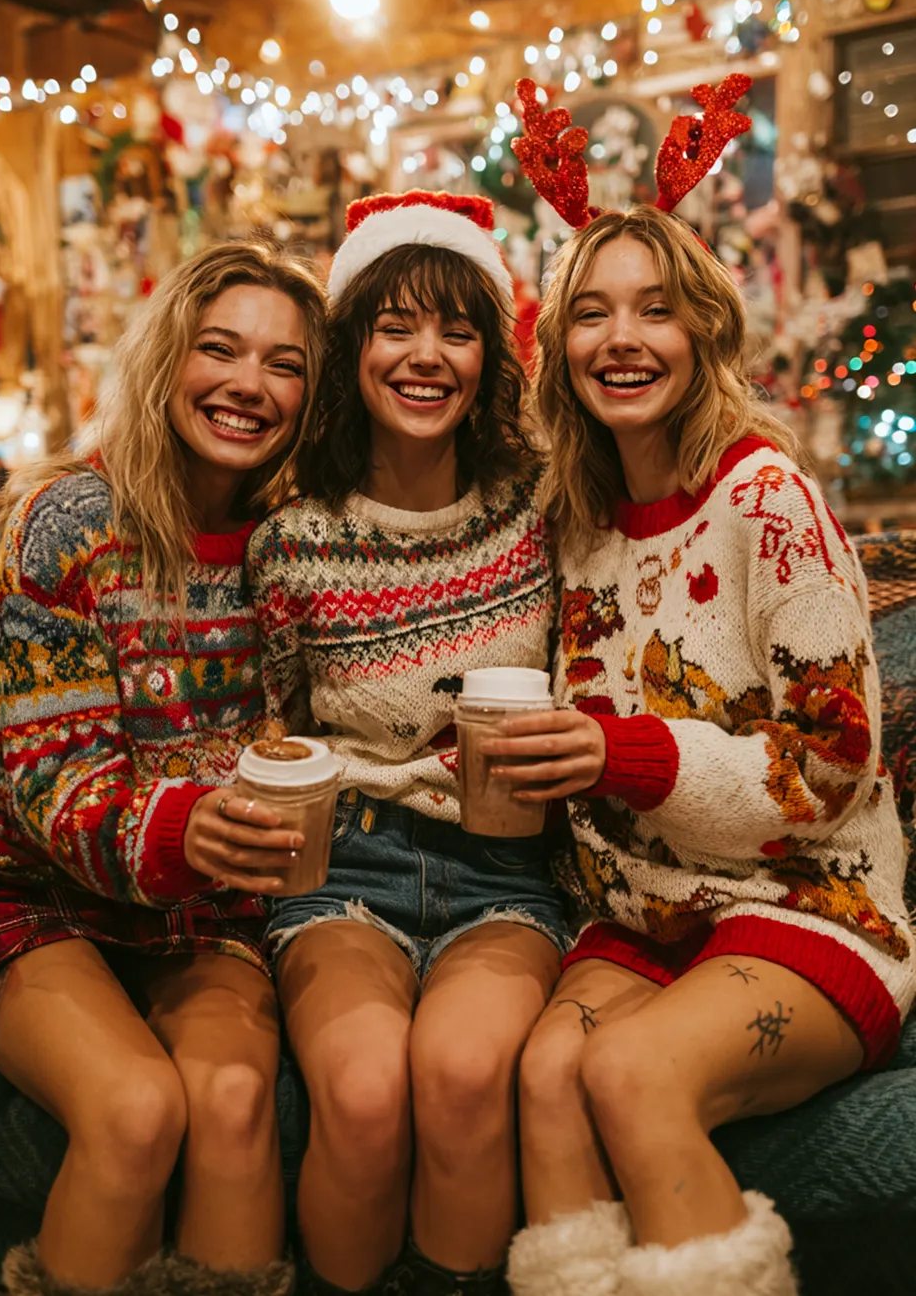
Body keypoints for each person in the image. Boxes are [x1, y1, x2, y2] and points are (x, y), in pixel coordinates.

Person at [488, 80, 916, 1296]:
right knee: (541, 1077)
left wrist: (628, 757)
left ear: (703, 333)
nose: (622, 339)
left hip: (811, 905)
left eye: (656, 312)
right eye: (592, 316)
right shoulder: (574, 524)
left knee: (626, 1073)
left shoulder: (765, 501)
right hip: (645, 918)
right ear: (558, 349)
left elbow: (832, 769)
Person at [0, 240, 326, 1296]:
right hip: (32, 882)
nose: (248, 384)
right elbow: (44, 772)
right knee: (137, 1106)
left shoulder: (295, 542)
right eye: (219, 349)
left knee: (233, 1105)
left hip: (204, 905)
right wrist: (185, 825)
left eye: (284, 364)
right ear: (166, 360)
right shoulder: (71, 521)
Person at [246, 191, 568, 1296]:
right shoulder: (291, 542)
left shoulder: (541, 509)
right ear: (352, 349)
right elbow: (265, 731)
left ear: (491, 354)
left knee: (467, 1068)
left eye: (457, 328)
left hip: (504, 867)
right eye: (395, 326)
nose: (426, 356)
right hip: (348, 865)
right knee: (366, 1085)